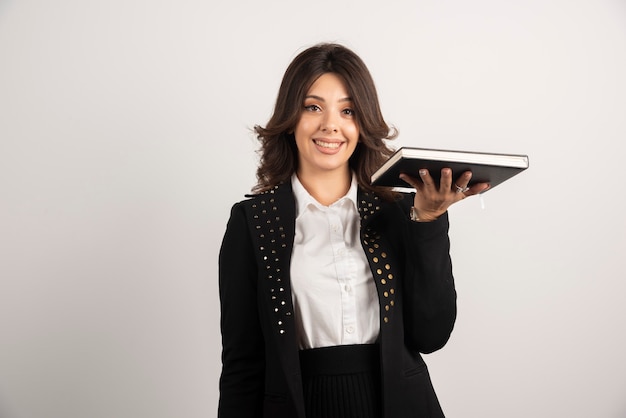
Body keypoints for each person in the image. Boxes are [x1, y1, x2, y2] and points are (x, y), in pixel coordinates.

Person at [218, 43, 490, 418]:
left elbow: (431, 335)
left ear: (362, 125)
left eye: (347, 111)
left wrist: (428, 222)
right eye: (313, 107)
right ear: (290, 118)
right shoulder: (253, 222)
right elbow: (241, 366)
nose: (331, 124)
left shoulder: (399, 212)